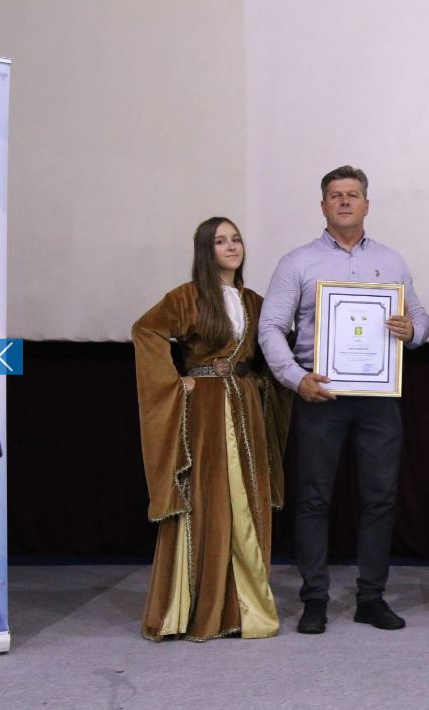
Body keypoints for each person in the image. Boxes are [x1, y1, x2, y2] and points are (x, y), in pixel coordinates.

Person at [258, 165, 429, 634]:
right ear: (323, 206)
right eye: (336, 195)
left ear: (366, 204)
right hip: (320, 395)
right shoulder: (297, 262)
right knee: (313, 499)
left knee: (380, 498)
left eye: (353, 194)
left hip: (378, 398)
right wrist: (296, 379)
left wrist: (413, 330)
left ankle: (371, 597)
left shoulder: (392, 261)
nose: (345, 201)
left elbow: (420, 317)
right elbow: (270, 327)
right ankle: (314, 597)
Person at [133, 216, 289, 642]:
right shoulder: (188, 297)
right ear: (206, 250)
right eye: (221, 241)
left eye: (236, 239)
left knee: (247, 498)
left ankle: (242, 607)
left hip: (245, 409)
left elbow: (275, 349)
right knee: (209, 499)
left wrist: (261, 383)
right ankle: (197, 609)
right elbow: (146, 330)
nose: (232, 246)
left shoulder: (255, 301)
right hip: (205, 409)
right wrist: (175, 381)